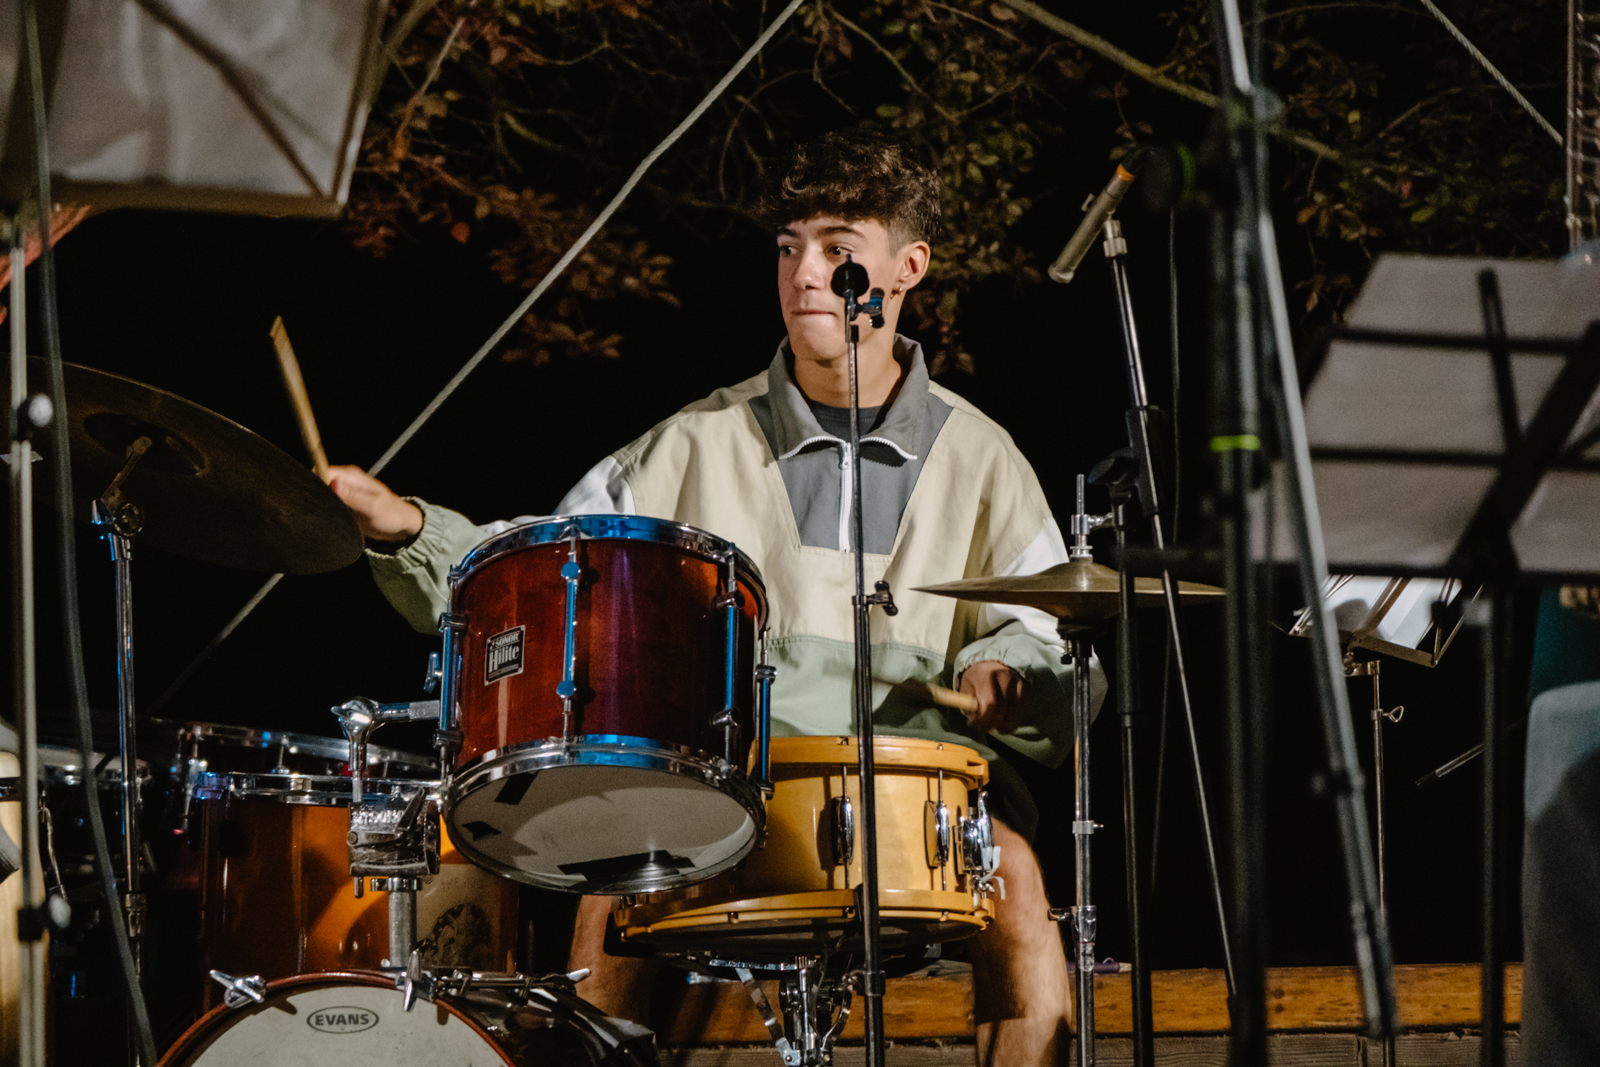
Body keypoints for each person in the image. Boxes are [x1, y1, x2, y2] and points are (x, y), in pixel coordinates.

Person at [327, 129, 1103, 1066]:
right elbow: (545, 565)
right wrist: (412, 529)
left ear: (907, 268)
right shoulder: (696, 439)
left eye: (836, 247)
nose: (804, 273)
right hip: (725, 789)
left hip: (917, 804)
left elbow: (1047, 633)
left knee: (1018, 888)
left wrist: (1006, 666)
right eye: (788, 248)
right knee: (613, 881)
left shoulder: (983, 456)